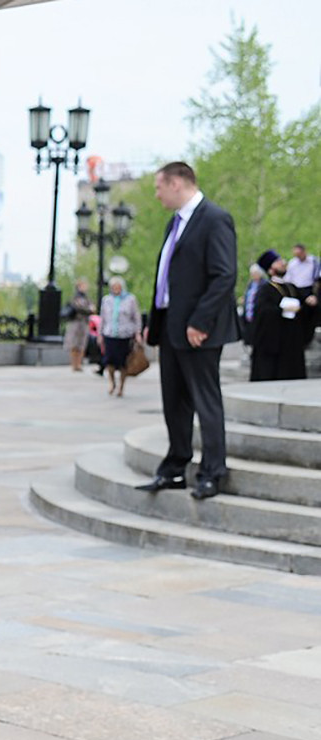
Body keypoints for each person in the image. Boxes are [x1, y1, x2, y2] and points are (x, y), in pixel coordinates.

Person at [134, 162, 239, 501]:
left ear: (176, 183)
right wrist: (156, 320)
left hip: (198, 331)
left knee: (205, 402)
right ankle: (176, 467)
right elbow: (168, 278)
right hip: (171, 328)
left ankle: (212, 472)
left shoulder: (214, 218)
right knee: (174, 403)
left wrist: (201, 322)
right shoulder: (175, 223)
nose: (156, 194)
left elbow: (224, 275)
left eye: (158, 187)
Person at [249, 249, 310, 382]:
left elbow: (304, 307)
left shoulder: (292, 287)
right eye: (278, 261)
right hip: (276, 343)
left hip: (293, 343)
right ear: (270, 269)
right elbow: (262, 314)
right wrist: (281, 309)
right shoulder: (265, 290)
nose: (283, 263)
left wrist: (309, 303)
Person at [98, 276, 143, 396]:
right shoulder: (106, 300)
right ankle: (112, 383)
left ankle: (121, 387)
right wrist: (100, 334)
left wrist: (138, 333)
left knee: (123, 362)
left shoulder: (130, 299)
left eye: (118, 286)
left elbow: (136, 317)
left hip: (125, 334)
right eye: (114, 287)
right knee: (110, 361)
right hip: (110, 333)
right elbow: (102, 318)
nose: (116, 289)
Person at [64, 278, 92, 371]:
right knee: (74, 344)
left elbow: (92, 309)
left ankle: (79, 364)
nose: (85, 287)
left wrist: (88, 309)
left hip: (84, 322)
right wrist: (88, 310)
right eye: (83, 285)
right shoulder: (75, 297)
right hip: (75, 322)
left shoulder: (87, 298)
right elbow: (80, 308)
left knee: (82, 344)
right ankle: (74, 364)